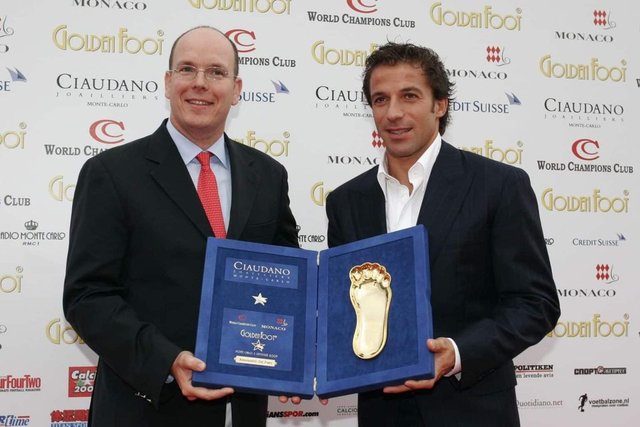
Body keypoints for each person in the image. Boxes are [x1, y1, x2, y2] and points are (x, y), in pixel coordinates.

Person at [63, 26, 298, 427]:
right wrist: (166, 360)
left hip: (243, 410)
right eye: (187, 69)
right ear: (168, 81)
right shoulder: (112, 173)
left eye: (216, 72)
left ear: (236, 89)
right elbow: (87, 296)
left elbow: (287, 283)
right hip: (146, 410)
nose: (200, 83)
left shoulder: (269, 176)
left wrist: (294, 357)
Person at [325, 42, 560, 427]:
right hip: (382, 412)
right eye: (381, 99)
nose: (393, 112)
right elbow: (343, 306)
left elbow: (535, 304)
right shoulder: (346, 201)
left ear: (440, 105)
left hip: (473, 411)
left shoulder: (498, 185)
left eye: (409, 96)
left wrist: (457, 352)